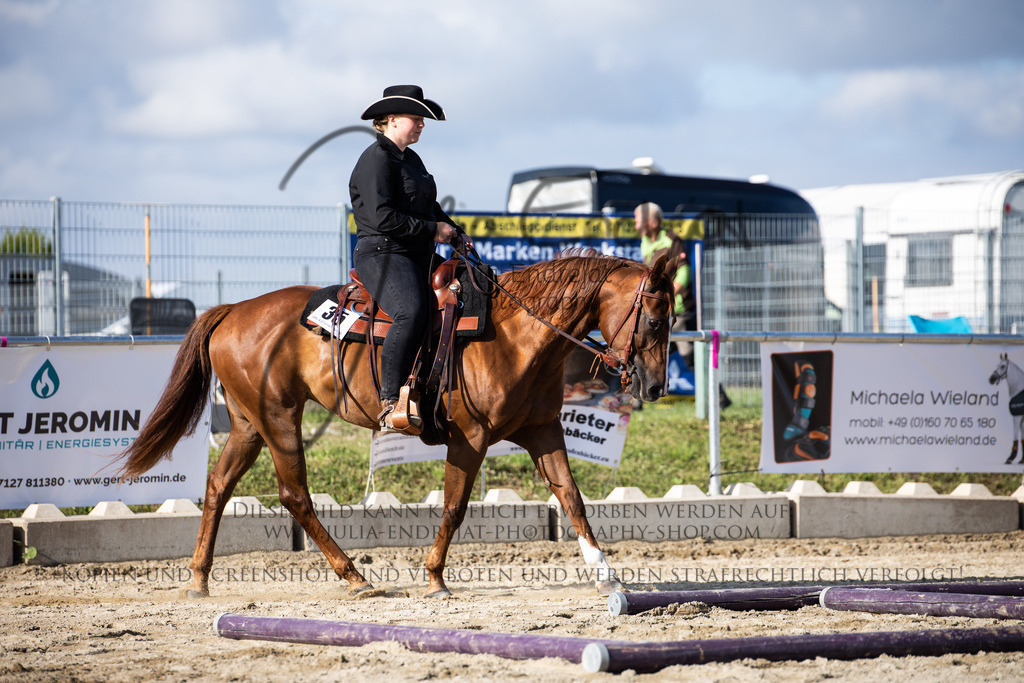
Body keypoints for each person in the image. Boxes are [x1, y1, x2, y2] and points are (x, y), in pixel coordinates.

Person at [349, 85, 469, 434]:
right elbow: (383, 218)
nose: (421, 125)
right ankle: (390, 402)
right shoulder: (376, 159)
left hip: (415, 253)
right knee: (411, 310)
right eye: (416, 119)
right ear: (390, 120)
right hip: (382, 253)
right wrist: (433, 230)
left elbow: (429, 207)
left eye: (422, 120)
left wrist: (455, 231)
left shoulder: (412, 160)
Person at [634, 202, 731, 409]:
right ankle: (636, 403)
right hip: (656, 315)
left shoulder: (672, 240)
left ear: (653, 222)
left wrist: (665, 298)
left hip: (677, 313)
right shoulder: (644, 241)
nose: (635, 224)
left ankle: (721, 399)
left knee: (692, 359)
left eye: (638, 219)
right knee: (644, 353)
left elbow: (684, 273)